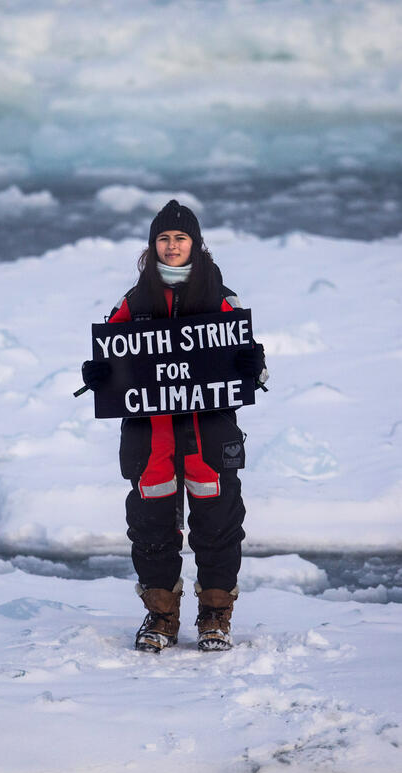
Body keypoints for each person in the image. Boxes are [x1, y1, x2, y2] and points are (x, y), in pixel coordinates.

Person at [81, 199, 266, 653]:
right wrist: (98, 374)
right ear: (152, 246)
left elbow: (255, 373)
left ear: (195, 244)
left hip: (208, 435)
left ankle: (215, 616)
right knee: (150, 527)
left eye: (180, 238)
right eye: (163, 238)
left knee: (219, 524)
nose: (171, 246)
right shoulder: (133, 301)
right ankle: (161, 615)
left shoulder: (222, 299)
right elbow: (111, 357)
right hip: (152, 440)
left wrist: (252, 363)